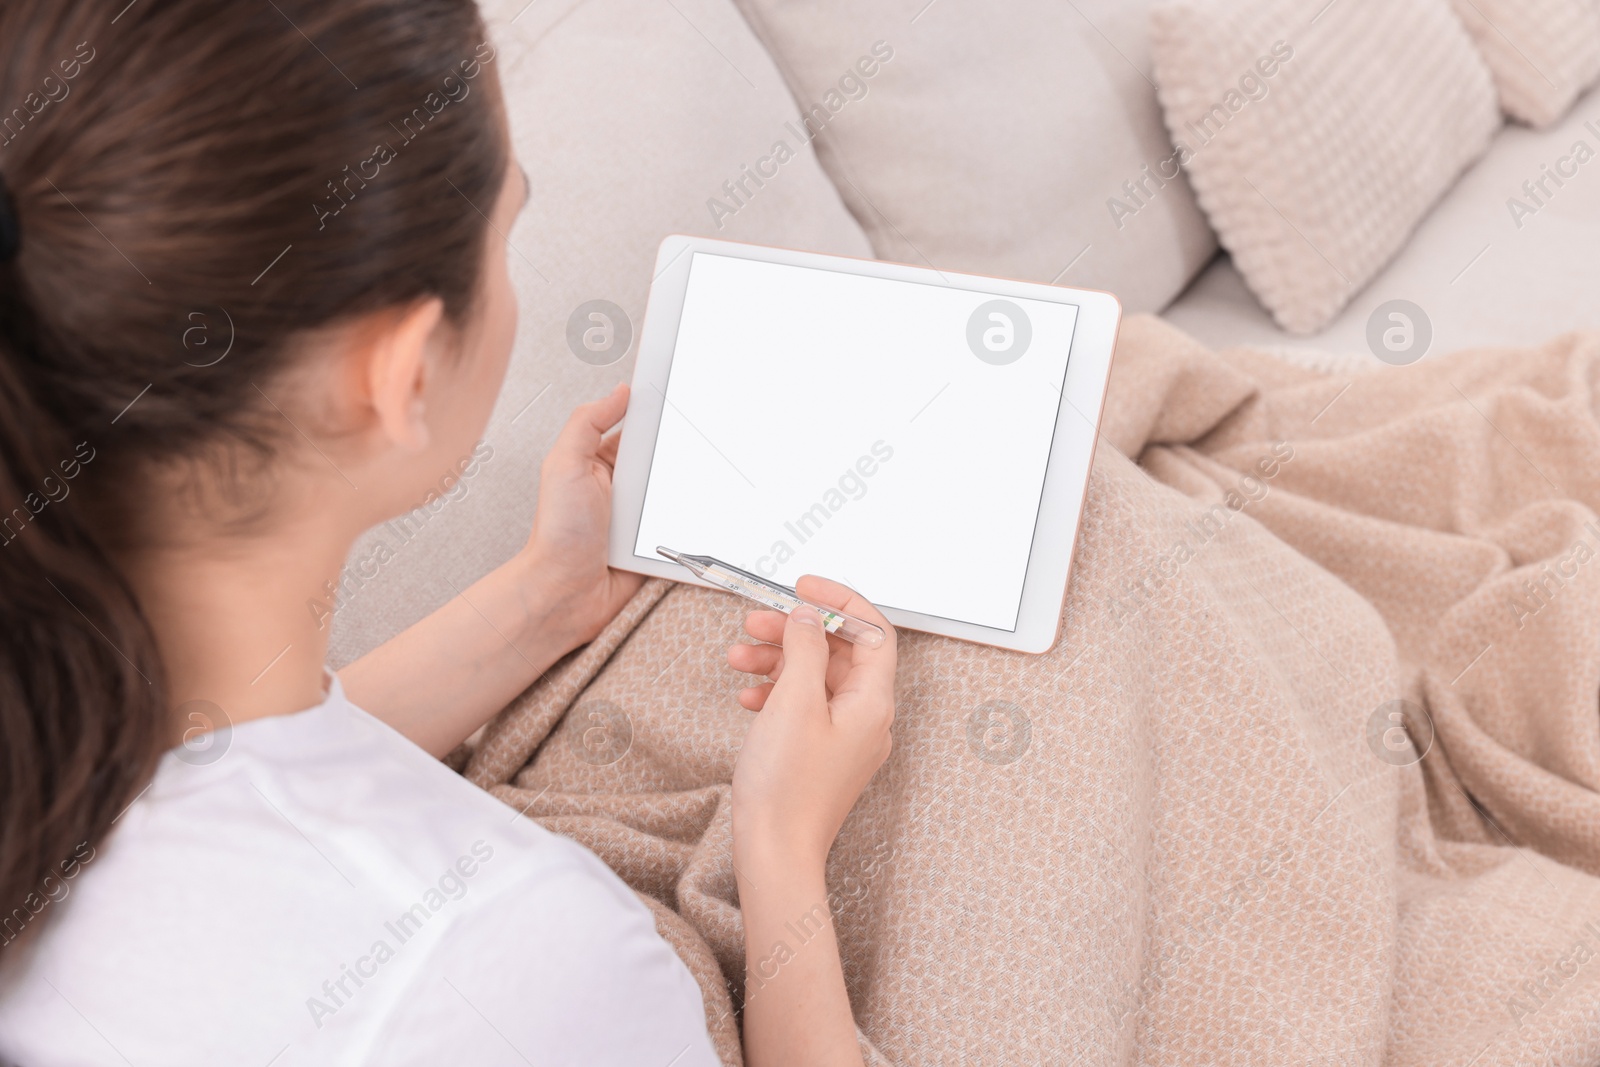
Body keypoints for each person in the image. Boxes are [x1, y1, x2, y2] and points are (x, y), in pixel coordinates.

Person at [0, 2, 891, 1064]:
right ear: (403, 373)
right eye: (506, 234)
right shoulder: (516, 960)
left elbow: (216, 789)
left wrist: (540, 599)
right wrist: (782, 847)